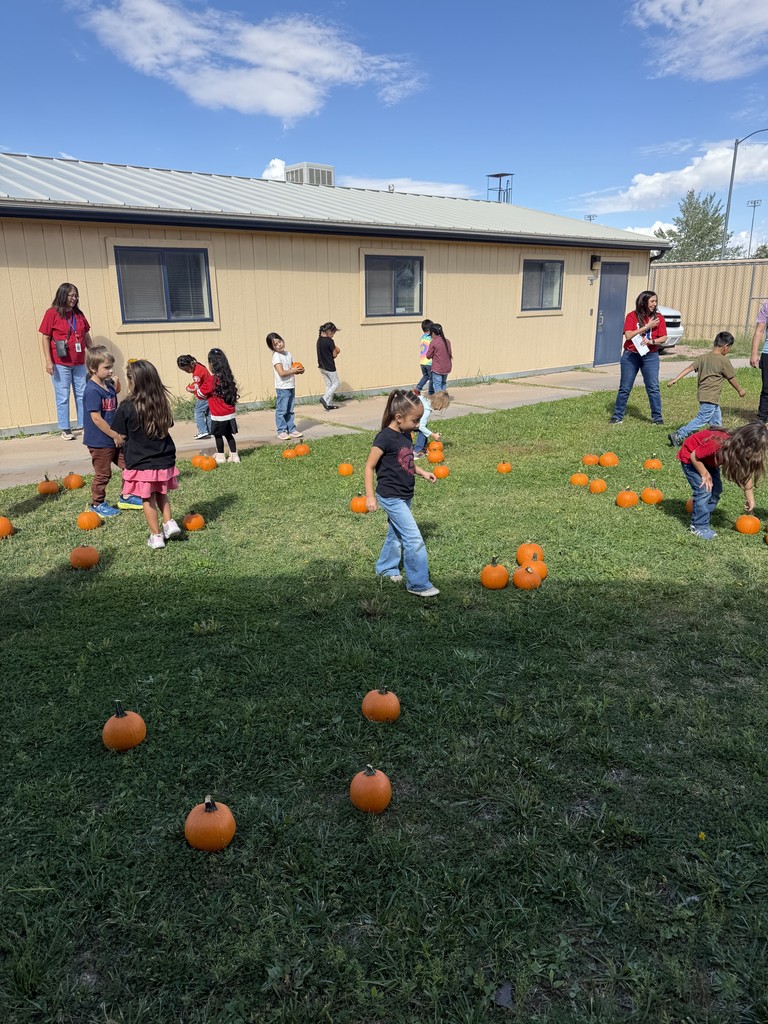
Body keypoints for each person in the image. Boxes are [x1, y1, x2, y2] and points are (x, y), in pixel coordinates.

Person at [364, 389, 439, 597]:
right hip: (390, 496)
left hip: (405, 494)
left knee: (396, 533)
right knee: (413, 538)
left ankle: (386, 568)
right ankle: (418, 584)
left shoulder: (406, 434)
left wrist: (422, 472)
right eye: (415, 421)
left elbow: (406, 461)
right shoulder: (384, 438)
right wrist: (370, 496)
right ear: (399, 417)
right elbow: (369, 467)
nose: (417, 426)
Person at [111, 360, 180, 550]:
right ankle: (169, 523)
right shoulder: (160, 402)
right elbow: (168, 425)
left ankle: (156, 536)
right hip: (163, 458)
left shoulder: (126, 406)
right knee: (161, 492)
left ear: (133, 381)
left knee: (147, 499)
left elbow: (120, 435)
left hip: (141, 462)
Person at [677, 421, 768, 540]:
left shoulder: (739, 448)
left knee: (716, 490)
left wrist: (750, 499)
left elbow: (746, 476)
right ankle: (699, 526)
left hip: (709, 461)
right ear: (746, 443)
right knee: (704, 490)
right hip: (691, 458)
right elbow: (694, 456)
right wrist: (704, 474)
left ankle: (702, 512)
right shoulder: (718, 442)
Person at [82, 346, 142, 518]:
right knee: (103, 474)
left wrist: (115, 383)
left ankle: (127, 496)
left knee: (128, 464)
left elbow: (112, 394)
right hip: (100, 441)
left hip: (113, 438)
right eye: (106, 368)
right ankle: (97, 504)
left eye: (111, 367)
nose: (110, 371)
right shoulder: (92, 390)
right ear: (93, 368)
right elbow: (97, 419)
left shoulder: (107, 385)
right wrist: (114, 435)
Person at [666, 332, 746, 446]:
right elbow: (731, 378)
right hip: (711, 395)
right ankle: (679, 435)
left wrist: (676, 379)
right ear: (725, 347)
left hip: (704, 394)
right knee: (702, 418)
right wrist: (740, 390)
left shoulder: (703, 357)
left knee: (716, 420)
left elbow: (689, 367)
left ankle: (719, 439)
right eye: (729, 348)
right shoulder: (723, 360)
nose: (728, 351)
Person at [39, 282, 93, 440]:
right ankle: (65, 428)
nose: (74, 298)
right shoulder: (52, 313)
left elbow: (86, 335)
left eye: (76, 295)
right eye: (71, 295)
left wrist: (93, 351)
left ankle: (84, 425)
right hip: (60, 362)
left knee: (82, 394)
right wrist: (48, 361)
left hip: (79, 362)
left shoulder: (79, 314)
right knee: (63, 395)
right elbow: (45, 337)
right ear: (62, 295)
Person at [610, 291, 668, 425]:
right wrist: (647, 327)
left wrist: (651, 342)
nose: (654, 304)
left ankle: (657, 418)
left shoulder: (659, 318)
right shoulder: (632, 316)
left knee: (653, 387)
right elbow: (628, 335)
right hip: (631, 355)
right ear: (644, 302)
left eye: (655, 301)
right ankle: (617, 416)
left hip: (650, 356)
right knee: (625, 387)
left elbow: (664, 338)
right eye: (652, 301)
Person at [197, 348, 240, 463]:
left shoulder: (211, 380)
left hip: (217, 415)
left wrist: (195, 389)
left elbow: (200, 394)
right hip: (229, 414)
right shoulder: (228, 378)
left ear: (212, 365)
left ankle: (220, 456)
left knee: (218, 435)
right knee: (229, 435)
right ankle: (234, 456)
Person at [266, 332, 304, 440]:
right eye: (275, 344)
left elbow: (292, 368)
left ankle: (291, 429)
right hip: (282, 387)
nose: (279, 345)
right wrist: (293, 370)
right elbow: (282, 373)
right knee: (282, 410)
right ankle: (281, 430)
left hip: (291, 385)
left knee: (290, 409)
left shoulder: (288, 354)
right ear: (272, 347)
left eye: (280, 341)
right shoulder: (276, 356)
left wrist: (299, 370)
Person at [177, 354, 212, 439]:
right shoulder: (199, 366)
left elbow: (196, 387)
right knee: (208, 413)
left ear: (191, 364)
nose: (187, 371)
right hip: (210, 392)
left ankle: (202, 431)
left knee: (198, 411)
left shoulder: (196, 373)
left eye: (187, 369)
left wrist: (188, 388)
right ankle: (210, 430)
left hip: (204, 394)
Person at [413, 390, 451, 457]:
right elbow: (421, 427)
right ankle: (416, 451)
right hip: (406, 422)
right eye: (441, 407)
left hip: (403, 418)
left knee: (425, 428)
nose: (440, 409)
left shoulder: (423, 398)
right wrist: (433, 435)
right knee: (423, 430)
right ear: (438, 403)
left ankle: (422, 447)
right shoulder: (426, 410)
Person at [750, 297, 768, 422]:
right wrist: (754, 354)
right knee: (766, 388)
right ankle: (762, 418)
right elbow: (759, 330)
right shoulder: (767, 306)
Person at [316, 322, 341, 410]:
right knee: (336, 383)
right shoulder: (330, 341)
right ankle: (325, 398)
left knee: (328, 384)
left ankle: (328, 403)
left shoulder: (319, 340)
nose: (333, 335)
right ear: (329, 331)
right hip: (330, 367)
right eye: (333, 333)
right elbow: (334, 354)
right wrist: (336, 349)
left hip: (321, 367)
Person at [425, 323, 453, 393]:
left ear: (433, 333)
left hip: (438, 368)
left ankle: (439, 402)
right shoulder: (447, 341)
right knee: (443, 384)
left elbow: (428, 356)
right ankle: (444, 401)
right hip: (447, 367)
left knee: (437, 386)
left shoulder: (434, 342)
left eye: (431, 335)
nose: (431, 336)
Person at [415, 319, 434, 393]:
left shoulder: (422, 337)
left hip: (422, 361)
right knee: (432, 378)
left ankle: (418, 388)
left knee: (426, 376)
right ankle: (431, 392)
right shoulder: (431, 338)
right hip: (429, 362)